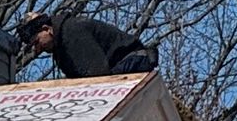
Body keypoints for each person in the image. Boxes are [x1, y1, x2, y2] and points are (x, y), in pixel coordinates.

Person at [16, 10, 159, 79]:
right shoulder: (61, 45)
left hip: (132, 62)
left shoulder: (71, 33)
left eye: (37, 42)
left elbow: (98, 76)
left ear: (46, 30)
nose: (38, 48)